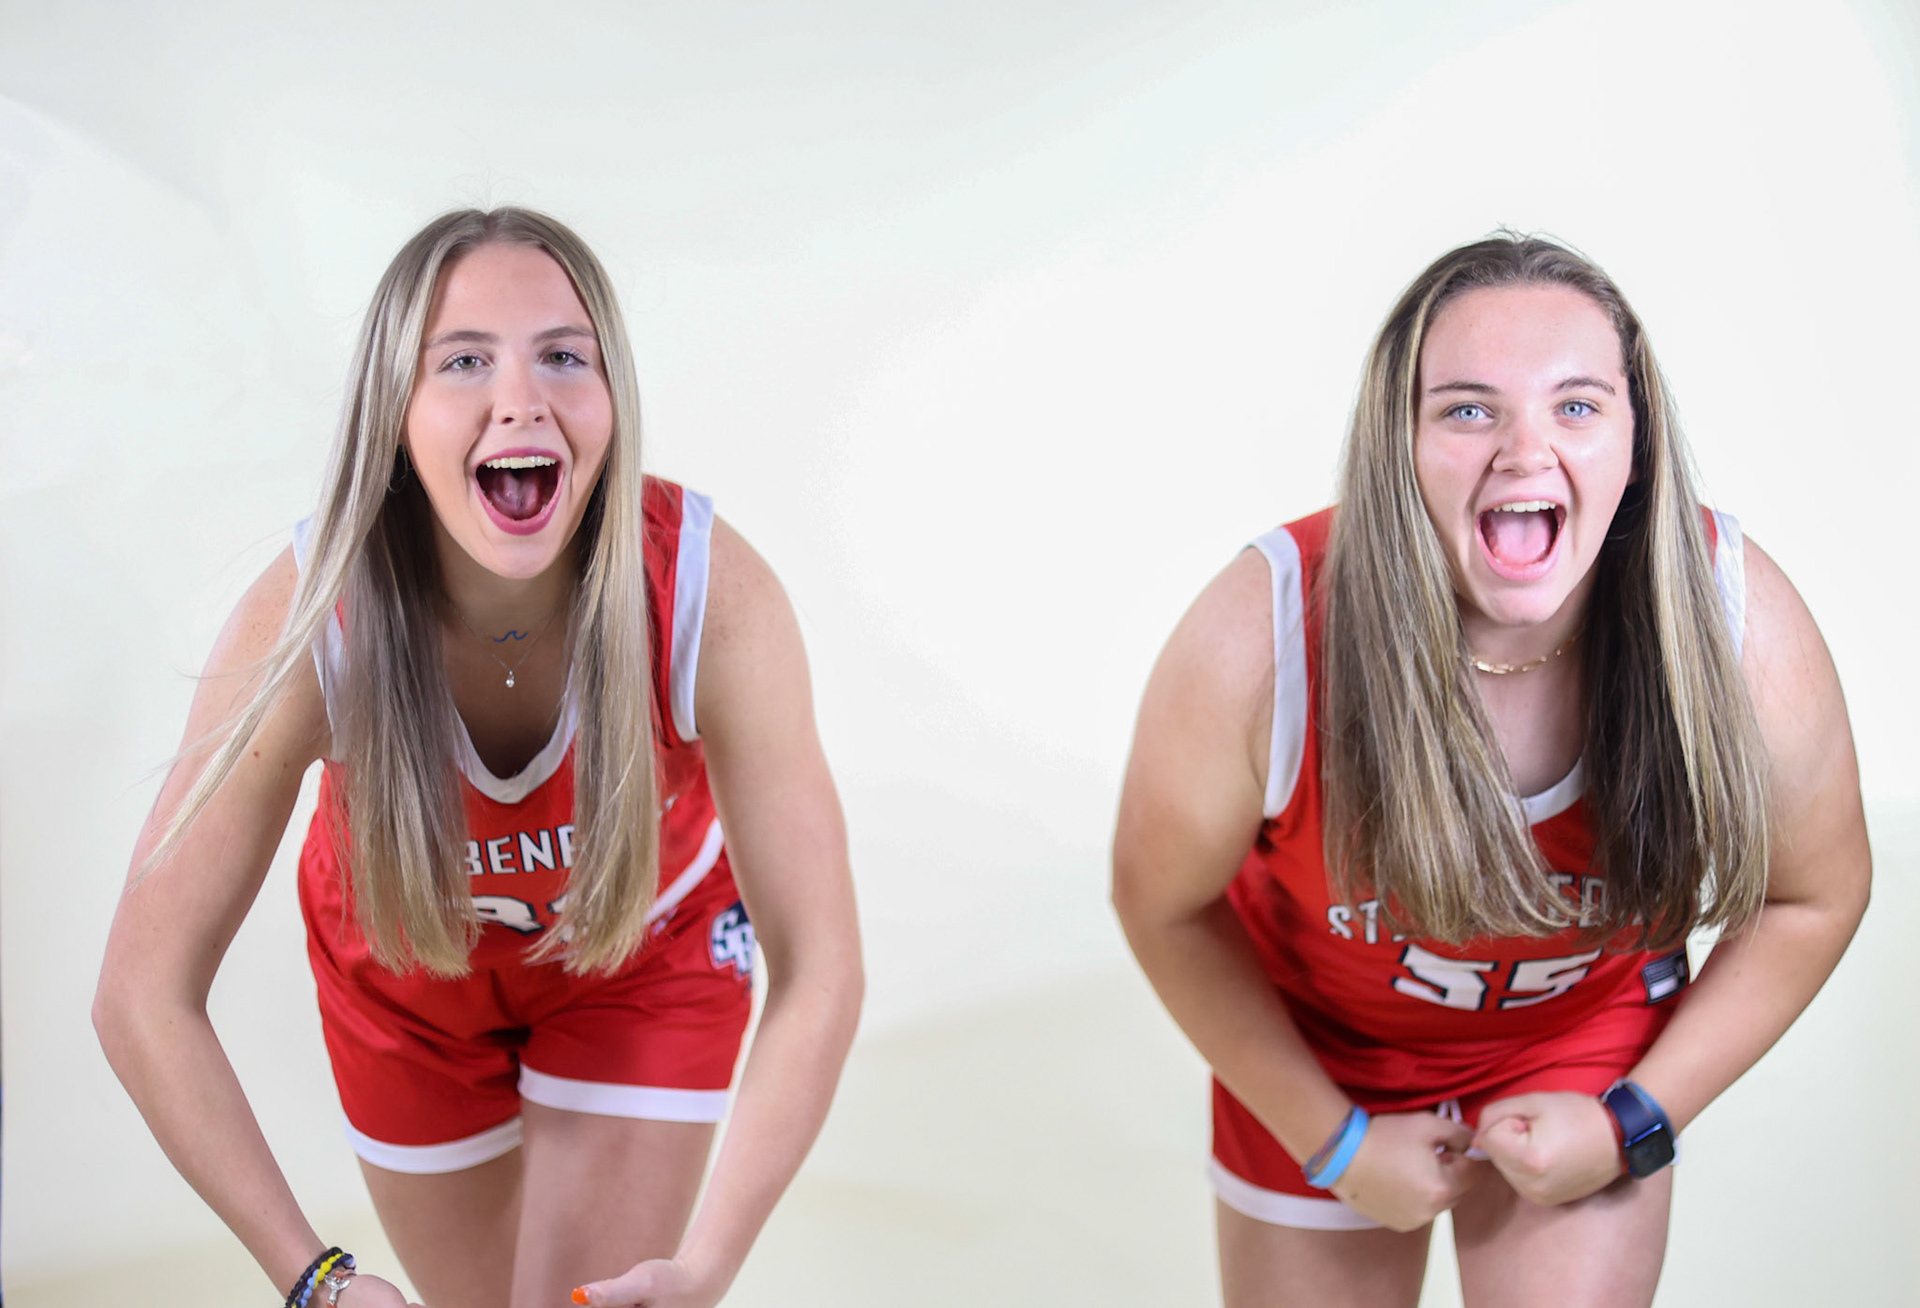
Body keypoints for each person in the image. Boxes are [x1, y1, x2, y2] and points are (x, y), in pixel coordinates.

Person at [94, 208, 863, 1308]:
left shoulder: (707, 590)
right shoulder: (317, 618)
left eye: (564, 355)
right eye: (464, 360)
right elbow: (141, 991)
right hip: (404, 985)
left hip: (641, 958)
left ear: (612, 401)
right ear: (394, 417)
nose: (522, 397)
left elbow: (821, 964)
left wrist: (707, 1267)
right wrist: (316, 1282)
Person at [1111, 234, 1869, 1308]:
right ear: (1398, 445)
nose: (1524, 451)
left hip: (1584, 1042)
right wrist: (1331, 1145)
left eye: (1576, 406)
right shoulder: (1267, 633)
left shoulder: (1733, 617)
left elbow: (1819, 892)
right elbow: (1164, 907)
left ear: (1638, 442)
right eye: (1468, 409)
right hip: (1324, 1057)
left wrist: (1633, 1120)